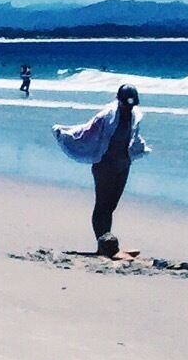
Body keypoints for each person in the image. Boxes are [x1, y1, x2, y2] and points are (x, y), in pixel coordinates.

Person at [55, 85, 147, 255]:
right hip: (104, 165)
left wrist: (141, 148)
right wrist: (66, 134)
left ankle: (107, 244)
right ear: (119, 100)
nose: (129, 107)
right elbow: (87, 131)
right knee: (102, 205)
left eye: (132, 104)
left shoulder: (135, 116)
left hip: (123, 165)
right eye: (126, 104)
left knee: (111, 206)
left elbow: (132, 137)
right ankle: (103, 246)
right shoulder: (106, 116)